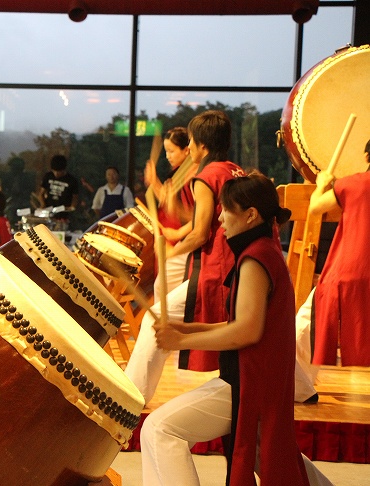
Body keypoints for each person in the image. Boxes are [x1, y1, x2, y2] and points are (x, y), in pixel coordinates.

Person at [143, 172, 331, 486]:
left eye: (225, 210)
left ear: (250, 215)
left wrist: (178, 340)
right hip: (257, 379)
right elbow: (244, 323)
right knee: (270, 457)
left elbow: (246, 331)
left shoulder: (255, 259)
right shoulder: (264, 251)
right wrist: (186, 329)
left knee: (160, 429)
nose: (219, 217)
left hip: (249, 385)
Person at [126, 110, 245, 405]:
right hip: (242, 267)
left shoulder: (205, 177)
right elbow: (207, 222)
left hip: (217, 270)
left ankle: (130, 395)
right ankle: (298, 386)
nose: (189, 147)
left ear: (202, 145)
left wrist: (170, 252)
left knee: (158, 325)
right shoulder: (234, 170)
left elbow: (201, 232)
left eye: (190, 142)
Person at [303, 138, 370, 367]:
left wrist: (322, 183)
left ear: (366, 157)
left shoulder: (353, 184)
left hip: (348, 271)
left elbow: (315, 207)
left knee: (307, 325)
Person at [145, 127, 196, 300]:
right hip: (174, 235)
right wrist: (155, 184)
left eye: (171, 151)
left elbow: (196, 215)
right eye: (166, 151)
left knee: (163, 289)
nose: (168, 156)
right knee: (162, 288)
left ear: (187, 149)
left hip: (184, 239)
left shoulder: (194, 174)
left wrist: (155, 183)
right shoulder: (179, 173)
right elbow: (171, 205)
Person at [38, 154, 79, 222]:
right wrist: (43, 205)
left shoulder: (71, 180)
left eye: (59, 171)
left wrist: (71, 207)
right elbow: (41, 194)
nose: (56, 174)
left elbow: (75, 197)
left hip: (63, 214)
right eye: (54, 171)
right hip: (49, 212)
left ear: (63, 169)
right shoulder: (48, 176)